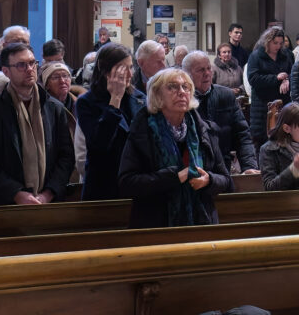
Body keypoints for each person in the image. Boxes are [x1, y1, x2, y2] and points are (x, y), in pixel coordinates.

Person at [118, 67, 233, 228]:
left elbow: (226, 180)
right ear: (157, 94)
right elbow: (127, 183)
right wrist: (173, 177)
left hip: (202, 223)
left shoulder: (204, 130)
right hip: (155, 225)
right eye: (172, 87)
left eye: (186, 87)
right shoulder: (142, 130)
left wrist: (208, 180)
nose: (181, 92)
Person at [0, 42, 74, 205]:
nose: (30, 69)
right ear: (6, 72)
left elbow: (66, 157)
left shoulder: (54, 108)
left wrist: (49, 193)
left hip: (49, 200)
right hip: (7, 201)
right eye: (21, 65)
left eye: (32, 63)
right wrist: (15, 193)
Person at [75, 43, 145, 201]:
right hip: (104, 185)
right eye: (121, 68)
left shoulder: (139, 98)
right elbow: (99, 144)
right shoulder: (87, 102)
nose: (128, 74)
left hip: (136, 182)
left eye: (130, 67)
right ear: (106, 71)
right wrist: (115, 100)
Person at [184, 50, 257, 174]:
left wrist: (249, 167)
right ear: (187, 74)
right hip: (195, 170)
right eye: (201, 70)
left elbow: (242, 135)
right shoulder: (183, 100)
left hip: (224, 167)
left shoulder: (226, 95)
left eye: (208, 68)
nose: (207, 74)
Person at [258, 103, 299, 190]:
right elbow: (269, 187)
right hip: (283, 202)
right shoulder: (269, 150)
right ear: (287, 128)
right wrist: (293, 170)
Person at [245, 26, 291, 146]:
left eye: (281, 43)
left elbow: (292, 73)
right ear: (267, 41)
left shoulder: (285, 55)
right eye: (275, 43)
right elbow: (253, 79)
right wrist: (276, 78)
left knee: (281, 138)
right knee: (261, 139)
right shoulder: (256, 56)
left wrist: (287, 80)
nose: (278, 46)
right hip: (262, 104)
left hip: (282, 102)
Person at [40, 62, 77, 139]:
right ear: (46, 84)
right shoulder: (41, 107)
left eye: (65, 76)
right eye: (56, 77)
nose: (62, 81)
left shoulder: (80, 104)